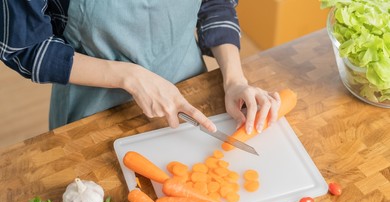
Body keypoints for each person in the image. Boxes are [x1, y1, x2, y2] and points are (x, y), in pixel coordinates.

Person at [0, 0, 280, 135]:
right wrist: (130, 76)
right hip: (93, 114)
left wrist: (234, 80)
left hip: (190, 99)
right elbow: (25, 47)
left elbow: (215, 3)